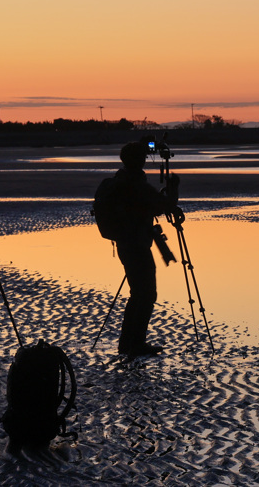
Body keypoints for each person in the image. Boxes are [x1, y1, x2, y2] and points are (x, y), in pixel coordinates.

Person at [111, 141, 181, 357]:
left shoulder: (119, 180)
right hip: (137, 244)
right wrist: (174, 187)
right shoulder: (136, 184)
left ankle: (128, 343)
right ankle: (135, 344)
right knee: (146, 293)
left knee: (138, 293)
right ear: (138, 160)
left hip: (125, 243)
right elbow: (166, 205)